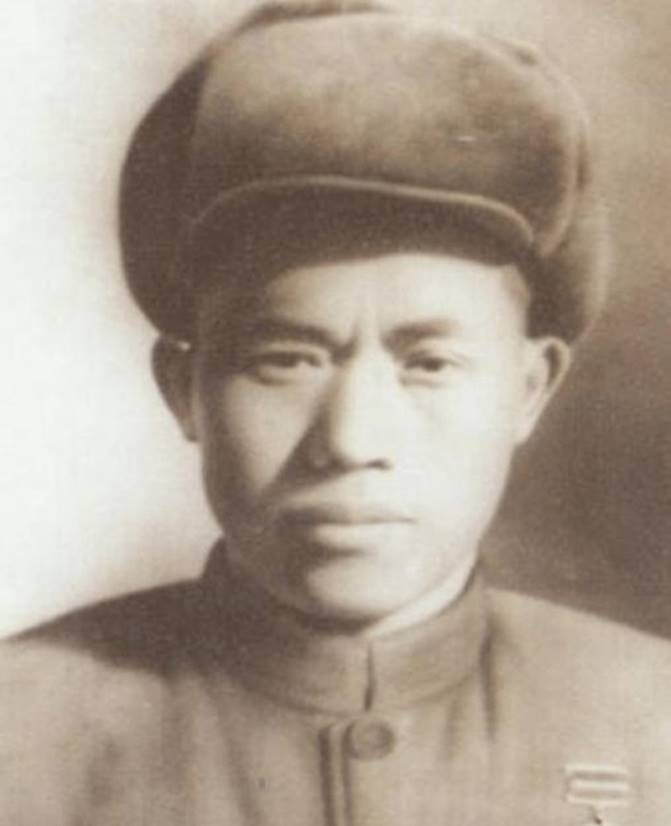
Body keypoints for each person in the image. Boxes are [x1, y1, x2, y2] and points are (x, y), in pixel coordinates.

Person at [2, 2, 670, 824]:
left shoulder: (653, 721)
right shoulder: (18, 734)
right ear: (184, 388)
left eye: (428, 364)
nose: (351, 441)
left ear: (528, 388)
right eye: (285, 360)